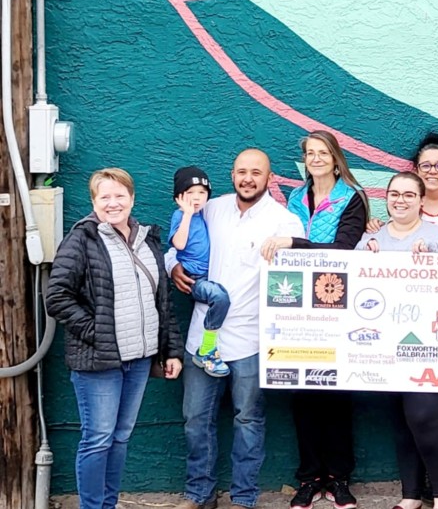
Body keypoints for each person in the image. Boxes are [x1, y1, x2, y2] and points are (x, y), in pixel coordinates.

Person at [167, 149, 305, 509]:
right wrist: (172, 267)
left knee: (249, 420)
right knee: (195, 420)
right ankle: (200, 495)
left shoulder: (285, 222)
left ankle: (244, 498)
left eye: (256, 173)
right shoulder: (211, 208)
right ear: (232, 175)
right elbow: (177, 242)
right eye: (242, 171)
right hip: (202, 338)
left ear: (269, 178)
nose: (248, 178)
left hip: (251, 340)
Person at [46, 168, 184, 509]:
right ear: (94, 201)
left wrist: (172, 350)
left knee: (120, 438)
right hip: (98, 361)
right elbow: (57, 297)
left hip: (139, 359)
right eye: (104, 196)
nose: (113, 203)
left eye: (120, 195)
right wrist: (97, 332)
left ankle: (107, 504)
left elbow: (162, 302)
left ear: (132, 199)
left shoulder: (147, 239)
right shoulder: (81, 239)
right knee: (98, 439)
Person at [259, 130, 369, 509]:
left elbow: (343, 249)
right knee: (302, 394)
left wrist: (295, 244)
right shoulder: (294, 198)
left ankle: (338, 478)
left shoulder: (352, 198)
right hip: (296, 308)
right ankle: (309, 478)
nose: (316, 158)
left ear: (336, 159)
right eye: (310, 153)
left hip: (337, 303)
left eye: (323, 153)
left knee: (336, 394)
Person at [367, 132, 438, 506]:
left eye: (408, 195)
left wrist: (435, 262)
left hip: (434, 346)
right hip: (384, 347)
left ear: (420, 200)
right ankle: (411, 496)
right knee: (402, 421)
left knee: (424, 415)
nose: (400, 200)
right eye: (394, 195)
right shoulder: (371, 241)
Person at [170, 166, 231, 377]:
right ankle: (206, 349)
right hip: (193, 278)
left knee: (221, 295)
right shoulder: (180, 216)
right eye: (190, 193)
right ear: (179, 197)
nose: (196, 197)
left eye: (202, 192)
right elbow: (179, 244)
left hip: (207, 275)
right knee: (220, 297)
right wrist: (187, 215)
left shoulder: (204, 214)